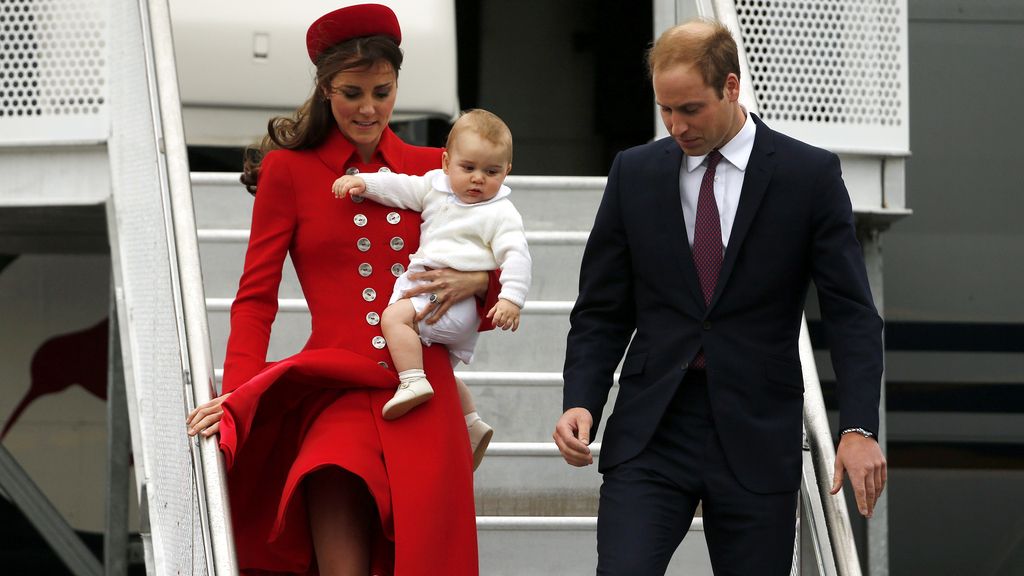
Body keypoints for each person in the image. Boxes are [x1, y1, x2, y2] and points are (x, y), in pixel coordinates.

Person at [552, 20, 887, 575]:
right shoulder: (634, 173)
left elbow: (852, 313)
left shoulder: (809, 175)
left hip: (756, 432)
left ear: (731, 87)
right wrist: (581, 399)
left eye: (691, 109)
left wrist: (857, 426)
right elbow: (602, 310)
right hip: (653, 429)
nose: (676, 125)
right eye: (666, 109)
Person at [185, 4, 496, 575]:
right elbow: (256, 297)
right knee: (330, 483)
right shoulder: (290, 171)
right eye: (351, 92)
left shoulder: (436, 169)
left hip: (424, 392)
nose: (369, 108)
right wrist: (239, 393)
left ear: (398, 83)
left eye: (382, 91)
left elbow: (497, 258)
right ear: (326, 88)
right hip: (335, 385)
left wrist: (478, 279)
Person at [331, 109, 530, 470]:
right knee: (443, 370)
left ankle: (412, 382)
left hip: (453, 305)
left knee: (394, 318)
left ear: (507, 172)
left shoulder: (501, 212)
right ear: (445, 161)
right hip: (441, 302)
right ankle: (472, 423)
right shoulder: (435, 187)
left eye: (491, 172)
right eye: (467, 167)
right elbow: (401, 187)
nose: (477, 180)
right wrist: (364, 182)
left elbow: (517, 255)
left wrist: (511, 299)